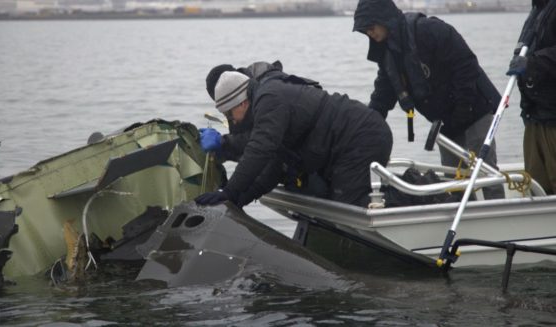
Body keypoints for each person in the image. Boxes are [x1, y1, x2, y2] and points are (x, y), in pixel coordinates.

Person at [352, 0, 505, 199]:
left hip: (475, 109)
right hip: (445, 121)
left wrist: (463, 108)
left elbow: (466, 65)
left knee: (485, 171)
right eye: (365, 31)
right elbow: (382, 94)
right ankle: (466, 220)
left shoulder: (429, 30)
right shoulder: (387, 54)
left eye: (371, 27)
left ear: (384, 20)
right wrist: (366, 126)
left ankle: (498, 217)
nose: (369, 33)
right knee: (453, 179)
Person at [195, 70, 393, 208]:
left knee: (350, 205)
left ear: (241, 102)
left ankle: (415, 197)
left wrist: (229, 192)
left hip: (362, 136)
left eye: (230, 115)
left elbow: (259, 150)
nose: (232, 121)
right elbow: (274, 166)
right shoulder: (264, 108)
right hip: (348, 143)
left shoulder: (269, 99)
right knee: (334, 200)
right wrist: (238, 200)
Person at [506, 0, 556, 195]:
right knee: (535, 186)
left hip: (553, 119)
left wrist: (533, 63)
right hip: (534, 117)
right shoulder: (538, 10)